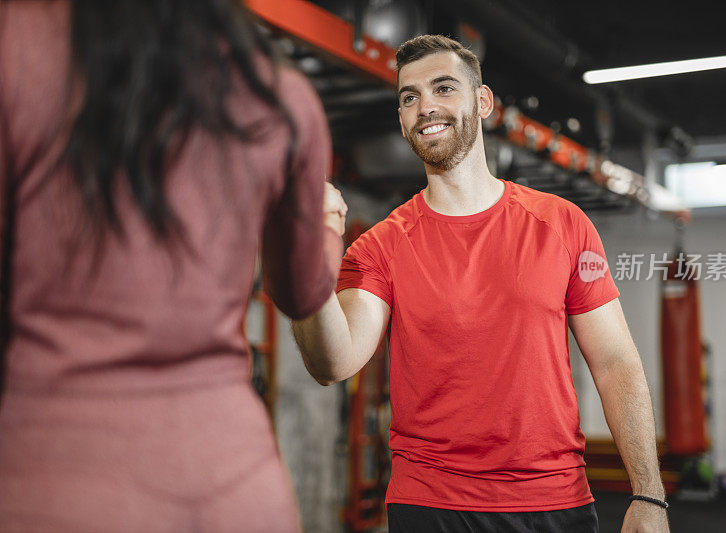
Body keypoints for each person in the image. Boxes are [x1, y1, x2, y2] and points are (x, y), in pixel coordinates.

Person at [293, 35, 670, 532]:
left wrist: (649, 494)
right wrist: (306, 257)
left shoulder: (562, 224)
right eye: (409, 97)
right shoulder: (382, 246)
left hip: (554, 502)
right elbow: (332, 363)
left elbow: (616, 361)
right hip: (431, 505)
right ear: (402, 118)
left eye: (444, 87)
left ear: (483, 101)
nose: (425, 105)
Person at [0, 1, 341, 531]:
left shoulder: (17, 47)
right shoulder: (280, 95)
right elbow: (303, 292)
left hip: (57, 480)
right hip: (236, 491)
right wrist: (330, 227)